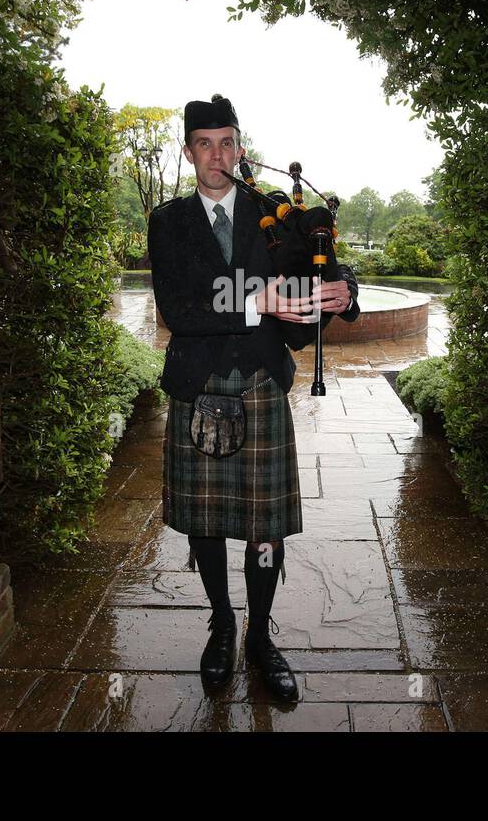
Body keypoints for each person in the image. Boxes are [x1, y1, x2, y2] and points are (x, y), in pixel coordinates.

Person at [147, 94, 360, 702]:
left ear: (242, 147)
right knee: (205, 521)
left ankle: (261, 636)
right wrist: (253, 301)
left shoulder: (275, 214)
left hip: (263, 383)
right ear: (189, 152)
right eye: (205, 143)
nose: (218, 154)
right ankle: (222, 623)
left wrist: (345, 291)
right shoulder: (170, 222)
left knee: (265, 527)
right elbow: (177, 310)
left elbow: (321, 272)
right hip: (200, 385)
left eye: (228, 142)